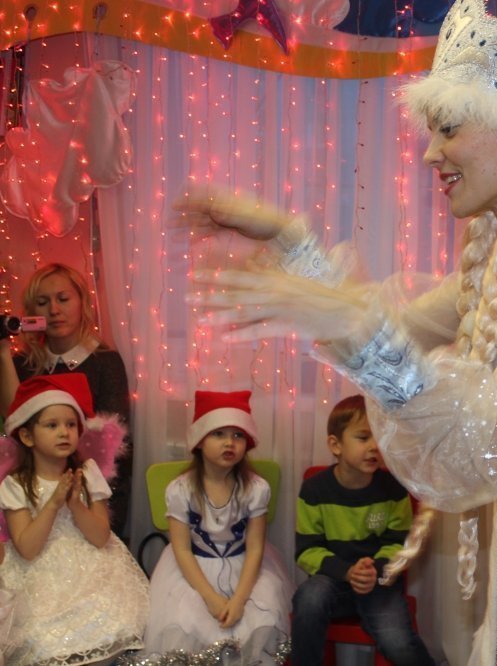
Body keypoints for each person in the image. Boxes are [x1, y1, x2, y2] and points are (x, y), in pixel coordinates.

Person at [177, 0, 497, 661]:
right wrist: (288, 240)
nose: (430, 153)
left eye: (449, 127)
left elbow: (486, 446)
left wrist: (353, 325)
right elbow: (398, 329)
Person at [0, 373, 149, 664]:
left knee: (106, 620)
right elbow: (27, 548)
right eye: (52, 425)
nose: (64, 433)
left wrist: (75, 504)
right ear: (27, 436)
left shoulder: (88, 472)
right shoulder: (16, 485)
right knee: (43, 640)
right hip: (39, 577)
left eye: (71, 425)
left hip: (90, 569)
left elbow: (100, 537)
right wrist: (53, 504)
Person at [143, 389, 291, 663]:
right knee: (185, 620)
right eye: (218, 434)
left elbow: (255, 548)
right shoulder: (181, 489)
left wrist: (239, 600)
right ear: (199, 441)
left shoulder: (256, 488)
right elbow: (181, 550)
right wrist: (210, 597)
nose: (229, 443)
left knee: (261, 616)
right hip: (193, 571)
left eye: (238, 435)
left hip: (245, 570)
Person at [292, 394, 434, 665]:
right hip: (332, 580)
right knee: (309, 600)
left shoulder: (393, 488)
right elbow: (306, 551)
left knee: (397, 640)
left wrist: (373, 570)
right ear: (335, 445)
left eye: (380, 437)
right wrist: (347, 571)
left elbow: (400, 545)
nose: (374, 446)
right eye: (363, 437)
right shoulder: (314, 490)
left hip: (379, 582)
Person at [0, 263, 133, 540]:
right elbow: (16, 423)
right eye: (42, 302)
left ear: (82, 302)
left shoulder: (105, 362)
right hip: (33, 500)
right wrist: (3, 353)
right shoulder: (21, 364)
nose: (54, 310)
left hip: (90, 498)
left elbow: (111, 447)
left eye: (63, 299)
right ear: (31, 311)